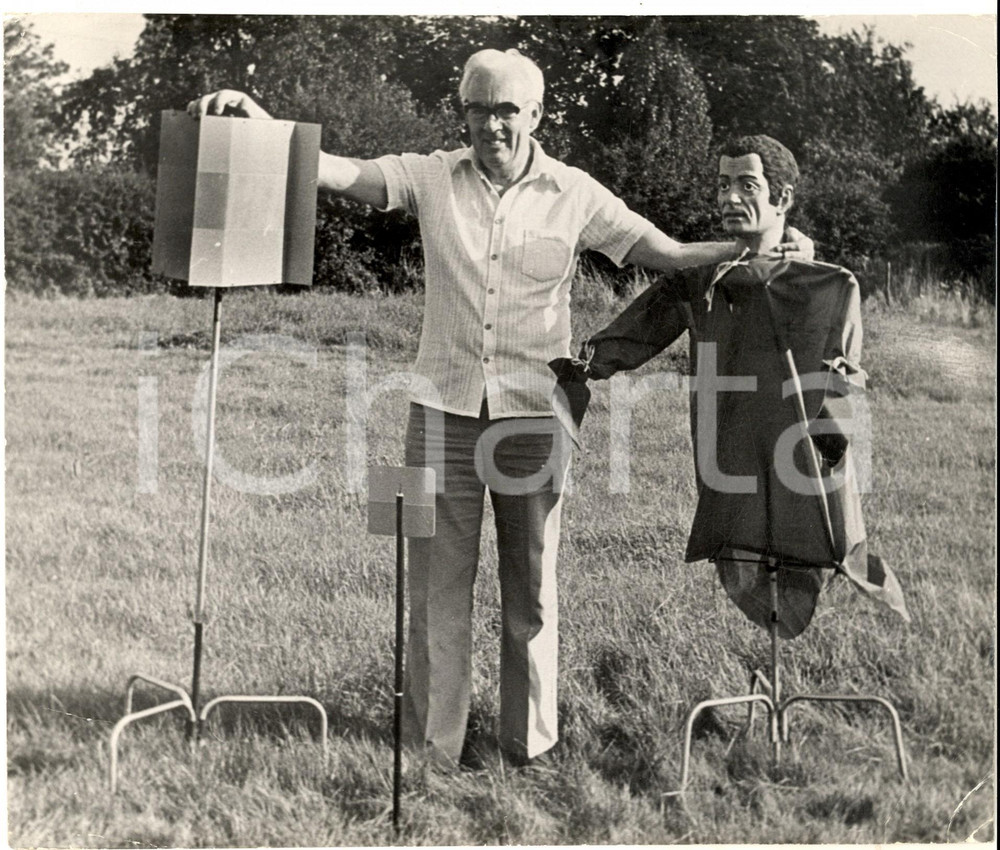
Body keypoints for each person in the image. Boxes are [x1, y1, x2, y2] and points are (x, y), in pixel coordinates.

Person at [188, 53, 814, 769]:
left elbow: (665, 253)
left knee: (533, 590)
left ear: (537, 116)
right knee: (434, 590)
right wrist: (267, 128)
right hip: (438, 414)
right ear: (463, 114)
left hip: (534, 419)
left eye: (507, 110)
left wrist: (755, 246)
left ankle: (529, 746)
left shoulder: (574, 193)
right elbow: (339, 170)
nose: (492, 123)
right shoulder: (429, 174)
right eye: (479, 109)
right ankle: (434, 748)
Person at [569, 134, 909, 631]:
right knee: (743, 544)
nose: (729, 198)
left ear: (784, 197)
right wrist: (580, 368)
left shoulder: (829, 284)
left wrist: (831, 432)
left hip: (805, 467)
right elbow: (634, 332)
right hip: (730, 462)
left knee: (809, 547)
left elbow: (844, 379)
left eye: (747, 185)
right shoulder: (700, 281)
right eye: (723, 184)